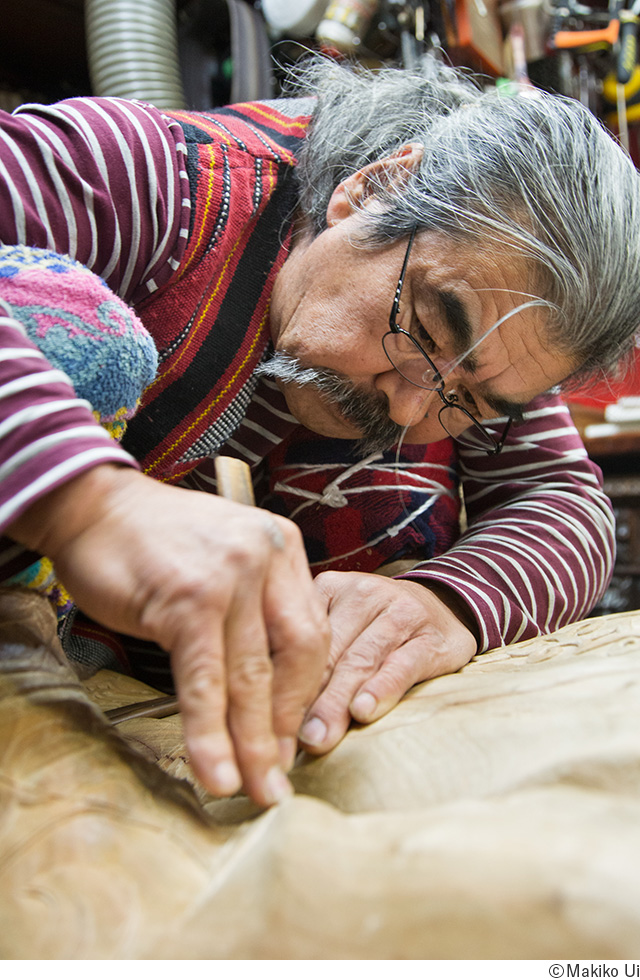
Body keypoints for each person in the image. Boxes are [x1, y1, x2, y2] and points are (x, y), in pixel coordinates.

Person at [1, 54, 639, 808]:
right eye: (426, 330)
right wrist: (85, 505)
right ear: (375, 187)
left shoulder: (494, 327)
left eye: (469, 401)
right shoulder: (147, 180)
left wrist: (448, 602)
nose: (408, 412)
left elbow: (564, 498)